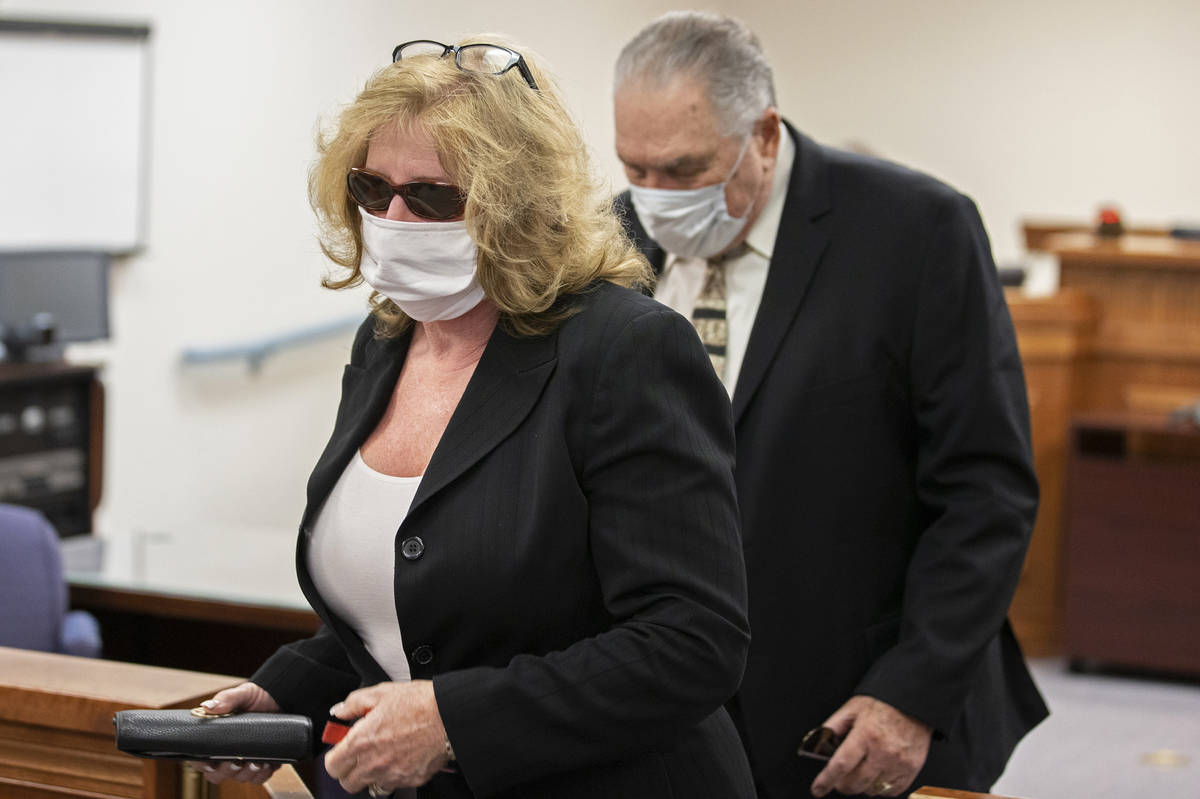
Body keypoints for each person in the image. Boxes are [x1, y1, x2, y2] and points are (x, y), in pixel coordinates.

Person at [196, 36, 755, 799]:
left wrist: (453, 721)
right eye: (371, 188)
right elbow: (414, 608)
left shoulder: (624, 349)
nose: (393, 217)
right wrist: (284, 689)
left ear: (517, 203)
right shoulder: (386, 339)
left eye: (432, 195)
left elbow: (692, 642)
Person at [612, 12, 1048, 799]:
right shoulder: (614, 241)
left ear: (765, 134)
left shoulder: (915, 231)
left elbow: (986, 487)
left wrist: (909, 695)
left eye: (682, 170)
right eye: (634, 169)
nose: (655, 199)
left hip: (862, 708)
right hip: (672, 719)